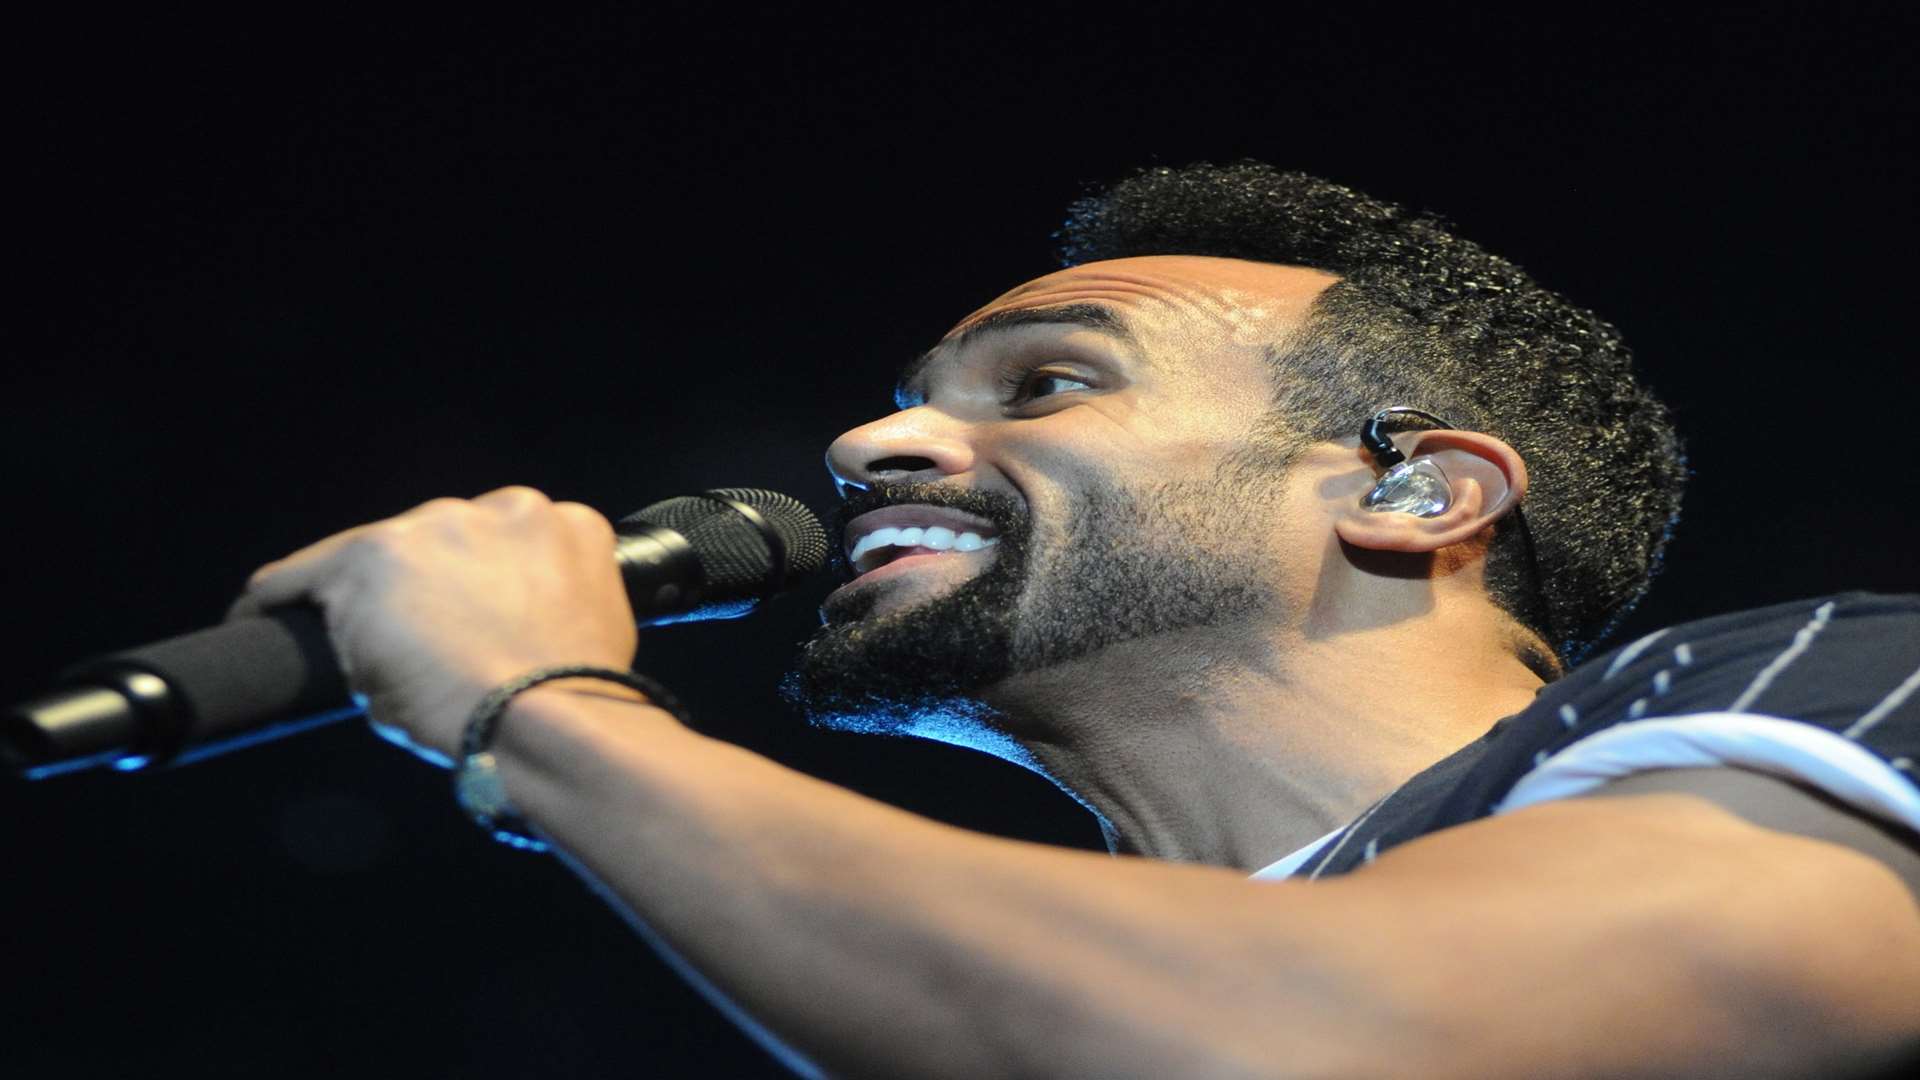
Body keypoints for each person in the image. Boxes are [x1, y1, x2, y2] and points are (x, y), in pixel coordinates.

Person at [229, 163, 1920, 1078]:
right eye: (900, 401)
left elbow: (1319, 1044)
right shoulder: (955, 1002)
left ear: (1415, 494)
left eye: (1046, 385)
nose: (868, 445)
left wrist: (535, 706)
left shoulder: (1831, 688)